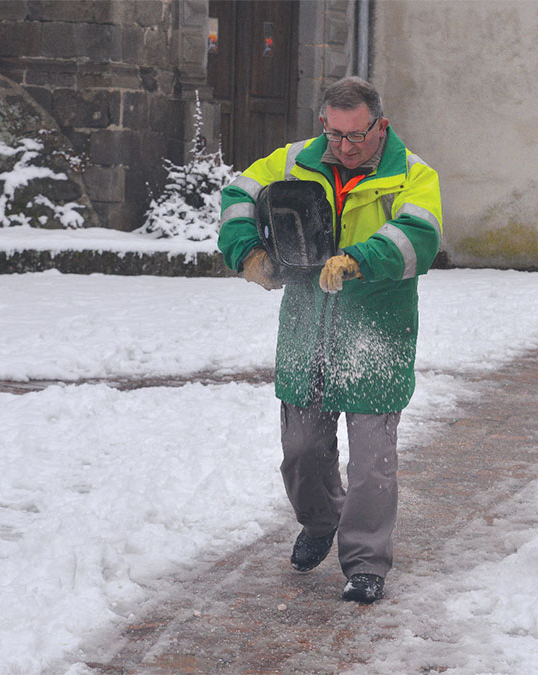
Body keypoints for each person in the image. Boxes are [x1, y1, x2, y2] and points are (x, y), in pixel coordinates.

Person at [216, 77, 442, 603]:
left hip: (376, 335)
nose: (344, 146)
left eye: (357, 136)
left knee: (371, 463)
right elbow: (237, 195)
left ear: (379, 125)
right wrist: (247, 250)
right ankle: (319, 522)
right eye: (335, 134)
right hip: (305, 327)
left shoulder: (412, 174)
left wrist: (360, 259)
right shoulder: (295, 159)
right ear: (324, 123)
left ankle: (365, 561)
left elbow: (420, 237)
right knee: (301, 451)